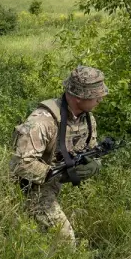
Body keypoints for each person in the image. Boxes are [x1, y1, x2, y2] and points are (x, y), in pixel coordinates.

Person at [9, 65, 109, 245]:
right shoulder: (42, 120)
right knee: (65, 241)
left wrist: (94, 163)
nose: (100, 99)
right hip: (29, 187)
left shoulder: (87, 118)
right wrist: (63, 173)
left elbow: (90, 148)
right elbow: (20, 164)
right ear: (79, 97)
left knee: (34, 236)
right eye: (96, 95)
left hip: (52, 184)